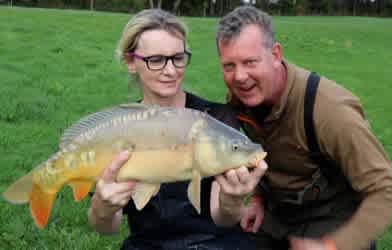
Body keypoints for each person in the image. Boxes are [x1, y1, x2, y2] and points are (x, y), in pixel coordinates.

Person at [215, 6, 392, 250]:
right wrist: (259, 199)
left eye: (250, 62)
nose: (239, 77)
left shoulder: (330, 110)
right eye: (229, 66)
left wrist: (333, 246)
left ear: (275, 54)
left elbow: (387, 191)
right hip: (279, 212)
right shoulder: (243, 98)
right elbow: (265, 150)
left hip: (331, 217)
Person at [88, 9, 267, 250]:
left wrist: (232, 199)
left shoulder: (217, 120)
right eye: (156, 60)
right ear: (131, 61)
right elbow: (106, 228)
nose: (171, 71)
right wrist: (103, 207)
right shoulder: (117, 129)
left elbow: (224, 218)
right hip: (149, 244)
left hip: (216, 242)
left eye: (178, 58)